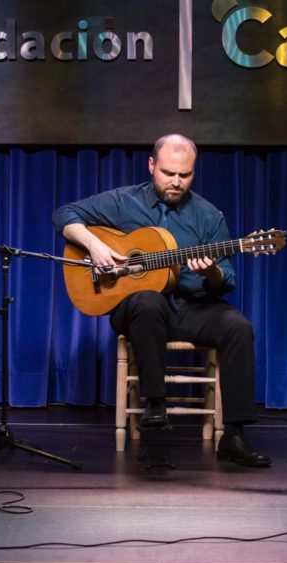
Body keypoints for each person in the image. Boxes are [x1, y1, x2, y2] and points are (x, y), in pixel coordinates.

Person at [52, 133, 270, 467]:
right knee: (149, 302)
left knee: (238, 327)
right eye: (169, 173)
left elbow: (227, 280)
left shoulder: (209, 216)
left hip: (191, 307)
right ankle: (155, 419)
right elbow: (64, 214)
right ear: (152, 165)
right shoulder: (124, 202)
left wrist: (211, 272)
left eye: (185, 175)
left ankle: (235, 435)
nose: (176, 182)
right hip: (138, 310)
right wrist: (93, 244)